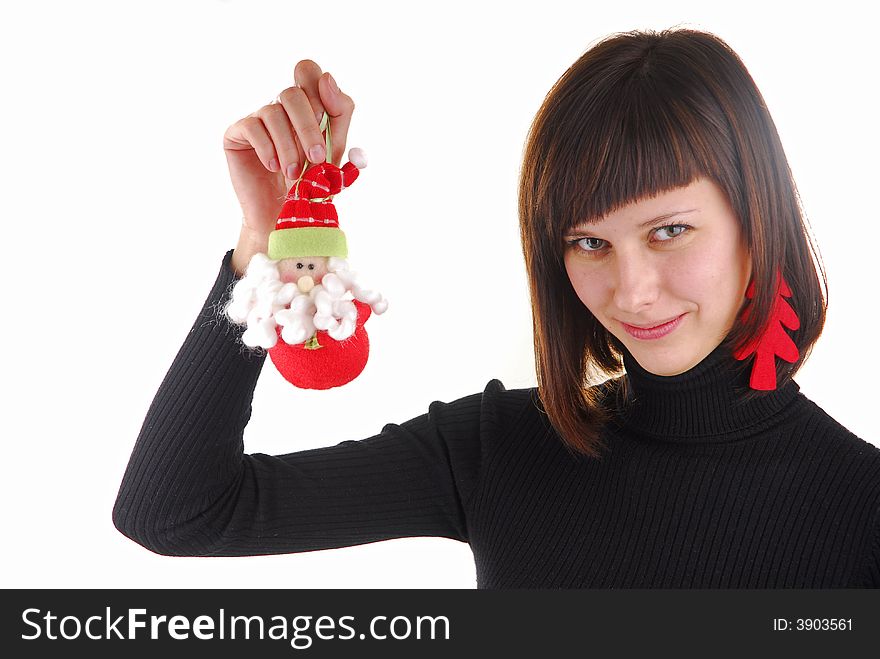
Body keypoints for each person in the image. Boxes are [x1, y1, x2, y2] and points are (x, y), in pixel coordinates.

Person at [112, 28, 880, 588]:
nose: (634, 288)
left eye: (670, 230)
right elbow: (175, 510)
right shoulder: (497, 451)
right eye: (589, 243)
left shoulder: (862, 511)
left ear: (758, 218)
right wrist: (266, 247)